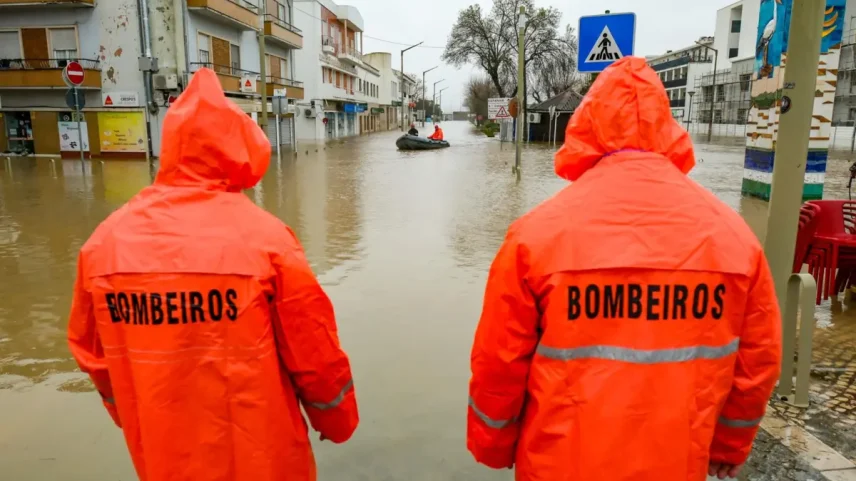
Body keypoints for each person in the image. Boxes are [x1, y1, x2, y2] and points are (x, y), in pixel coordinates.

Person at [466, 57, 781, 481]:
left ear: (586, 126)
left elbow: (499, 362)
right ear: (668, 126)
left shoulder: (534, 237)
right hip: (676, 463)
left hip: (559, 465)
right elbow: (758, 361)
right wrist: (729, 443)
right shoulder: (735, 238)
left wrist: (493, 443)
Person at [67, 68, 358, 481]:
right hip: (264, 460)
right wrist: (336, 421)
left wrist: (133, 412)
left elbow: (93, 356)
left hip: (163, 458)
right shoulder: (268, 240)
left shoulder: (104, 244)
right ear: (239, 146)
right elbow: (314, 353)